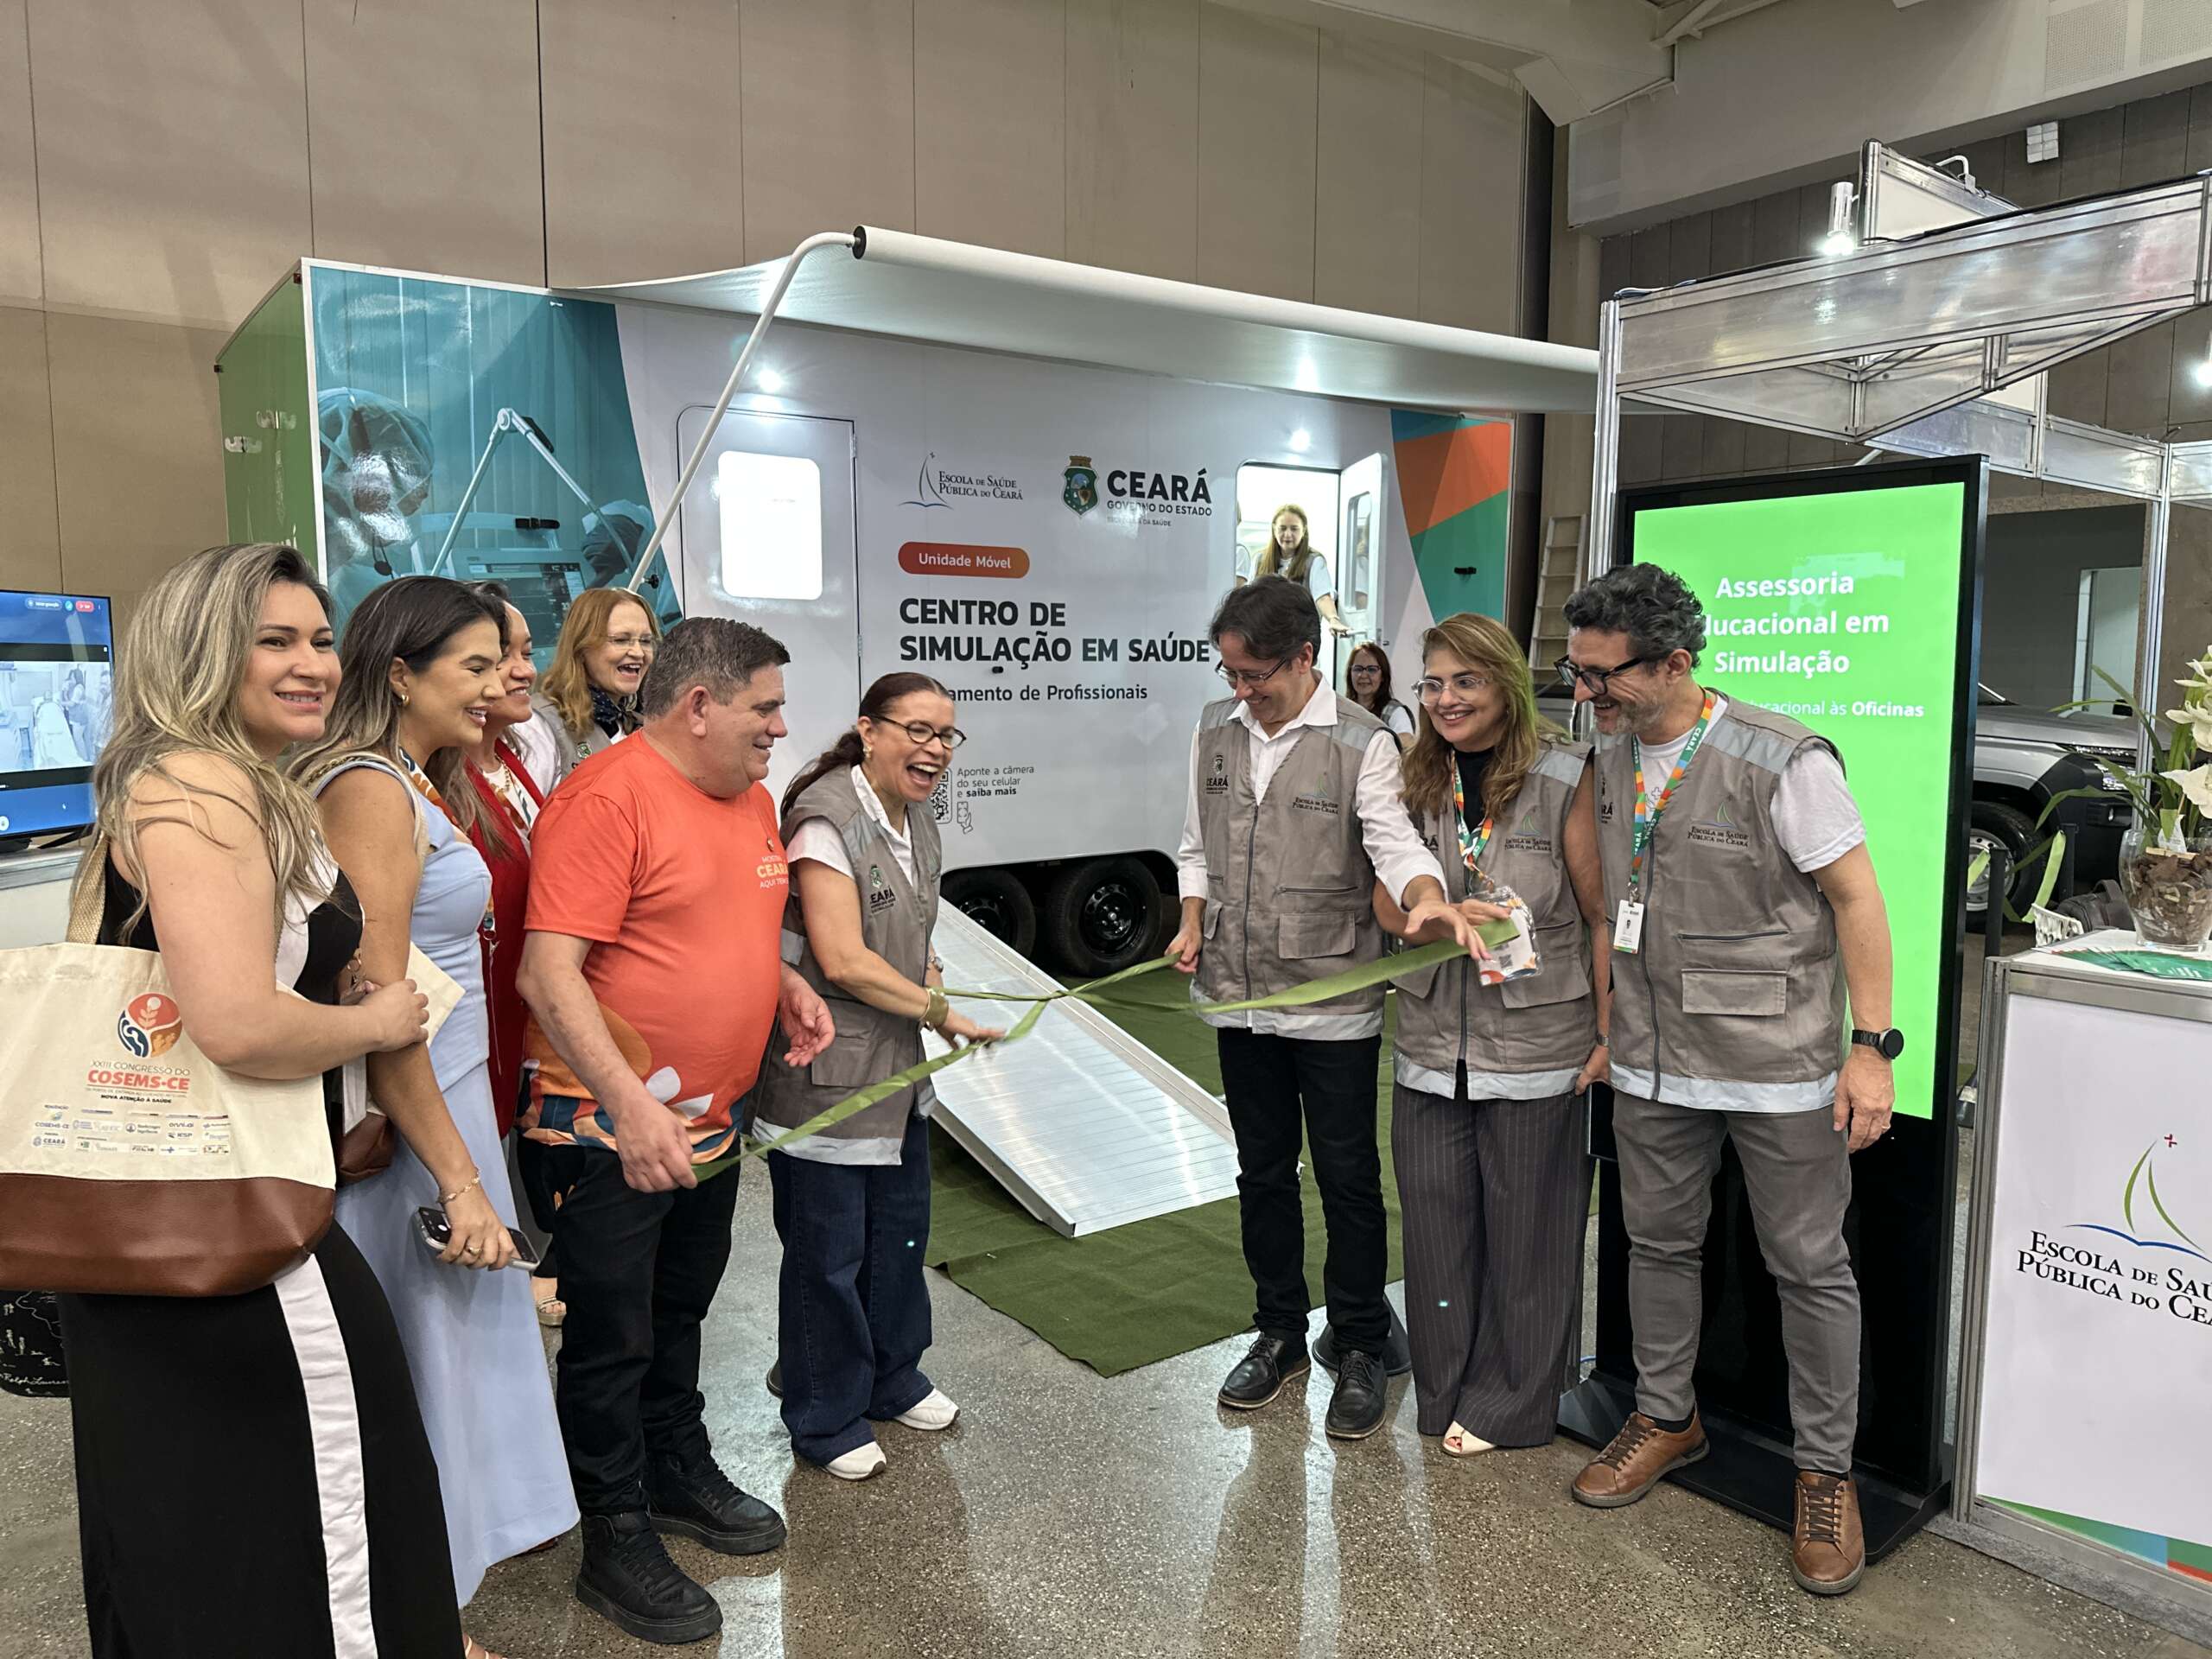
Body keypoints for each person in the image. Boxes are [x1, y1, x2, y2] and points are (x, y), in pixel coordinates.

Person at [54, 542, 457, 1656]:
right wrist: (377, 1022)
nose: (312, 664)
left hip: (179, 1230)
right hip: (236, 1236)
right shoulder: (202, 787)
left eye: (320, 639)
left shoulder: (205, 782)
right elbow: (235, 1023)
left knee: (198, 1534)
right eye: (272, 641)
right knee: (316, 1533)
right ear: (200, 652)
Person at [1560, 563, 1899, 1598]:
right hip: (1652, 1059)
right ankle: (1666, 1416)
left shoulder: (1782, 758)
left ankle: (1825, 1474)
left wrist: (1870, 1048)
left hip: (1775, 1064)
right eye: (1576, 671)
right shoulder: (1608, 755)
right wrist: (1611, 1025)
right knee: (1658, 1243)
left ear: (1674, 664)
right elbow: (1609, 900)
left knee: (1808, 1268)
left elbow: (1857, 900)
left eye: (1604, 675)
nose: (1586, 692)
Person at [516, 617, 835, 1647]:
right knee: (611, 1336)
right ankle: (612, 1535)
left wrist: (781, 983)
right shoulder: (605, 799)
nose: (779, 727)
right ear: (699, 706)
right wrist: (630, 1104)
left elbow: (714, 924)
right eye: (764, 708)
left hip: (708, 1120)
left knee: (680, 1307)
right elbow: (547, 975)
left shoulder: (747, 797)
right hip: (606, 1128)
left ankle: (672, 1468)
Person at [296, 575, 577, 1649]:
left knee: (441, 1374)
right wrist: (457, 1178)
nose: (501, 681)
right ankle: (415, 1621)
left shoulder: (418, 780)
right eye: (475, 664)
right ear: (402, 674)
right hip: (416, 1127)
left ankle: (426, 1607)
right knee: (420, 1380)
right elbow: (382, 1003)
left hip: (444, 1107)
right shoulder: (371, 788)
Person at [1168, 575, 1474, 1441]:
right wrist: (1190, 918)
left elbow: (1394, 844)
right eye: (1230, 672)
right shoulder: (1213, 729)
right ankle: (1278, 1332)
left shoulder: (1363, 742)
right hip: (1237, 996)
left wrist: (1429, 899)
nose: (1241, 690)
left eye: (1255, 673)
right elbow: (1194, 845)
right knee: (1261, 1172)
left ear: (1305, 657)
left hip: (1332, 999)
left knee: (1346, 1176)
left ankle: (1362, 1340)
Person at [754, 672, 1004, 1482]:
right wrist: (941, 1010)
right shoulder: (826, 818)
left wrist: (932, 976)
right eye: (917, 731)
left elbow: (912, 930)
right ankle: (825, 1414)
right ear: (868, 731)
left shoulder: (917, 816)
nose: (935, 749)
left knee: (898, 1237)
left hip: (897, 1076)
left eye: (946, 735)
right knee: (827, 1255)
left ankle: (892, 1378)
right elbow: (842, 960)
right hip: (827, 1076)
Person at [1376, 612, 1609, 1459]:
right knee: (1436, 1232)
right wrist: (1427, 915)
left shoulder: (1564, 774)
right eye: (1433, 684)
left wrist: (1609, 1031)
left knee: (1530, 1238)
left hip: (1540, 1044)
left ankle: (1513, 1401)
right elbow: (1384, 899)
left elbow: (1601, 914)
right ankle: (1443, 1390)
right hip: (1432, 1043)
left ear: (1504, 683)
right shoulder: (1412, 774)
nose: (1446, 700)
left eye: (1466, 681)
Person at [459, 582, 563, 1329]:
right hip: (477, 1022)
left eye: (525, 652)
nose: (524, 670)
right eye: (501, 657)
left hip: (519, 1018)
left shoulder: (512, 760)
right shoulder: (441, 783)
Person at [528, 586, 662, 790]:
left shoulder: (642, 723)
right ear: (582, 647)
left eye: (645, 641)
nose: (638, 653)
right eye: (621, 640)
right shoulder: (540, 724)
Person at [1238, 505, 1348, 637]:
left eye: (1294, 529)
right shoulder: (1259, 559)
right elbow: (1250, 598)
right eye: (1282, 528)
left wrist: (1333, 619)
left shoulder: (1314, 561)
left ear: (1304, 530)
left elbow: (1323, 597)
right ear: (1274, 529)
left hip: (1300, 638)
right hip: (1265, 639)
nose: (1288, 534)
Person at [1344, 641, 1414, 744]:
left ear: (1383, 676)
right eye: (1358, 669)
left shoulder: (1394, 711)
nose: (1363, 675)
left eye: (1371, 670)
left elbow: (1407, 741)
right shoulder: (1344, 709)